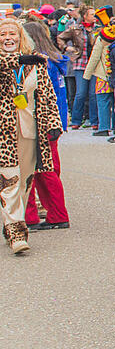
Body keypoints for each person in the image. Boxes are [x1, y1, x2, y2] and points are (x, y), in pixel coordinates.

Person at [0, 19, 63, 254]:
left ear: (21, 36)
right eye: (3, 34)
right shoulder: (11, 61)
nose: (8, 38)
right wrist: (18, 60)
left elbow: (47, 96)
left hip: (30, 130)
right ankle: (17, 232)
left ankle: (12, 224)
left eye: (12, 34)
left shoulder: (36, 61)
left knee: (25, 182)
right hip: (3, 132)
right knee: (9, 180)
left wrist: (54, 123)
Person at [21, 21, 71, 230]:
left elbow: (42, 96)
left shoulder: (40, 64)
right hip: (52, 121)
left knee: (38, 170)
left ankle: (39, 214)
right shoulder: (52, 60)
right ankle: (51, 213)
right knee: (46, 170)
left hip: (41, 122)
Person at [57, 5, 97, 129]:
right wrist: (67, 48)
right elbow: (60, 38)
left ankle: (94, 121)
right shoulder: (76, 29)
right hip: (81, 63)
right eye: (91, 15)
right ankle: (76, 120)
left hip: (95, 65)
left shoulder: (98, 29)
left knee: (93, 93)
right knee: (80, 93)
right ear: (85, 16)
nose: (94, 17)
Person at [84, 22, 115, 139]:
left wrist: (87, 75)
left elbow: (94, 57)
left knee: (102, 101)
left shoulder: (100, 40)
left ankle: (104, 127)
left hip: (102, 76)